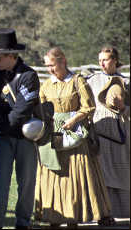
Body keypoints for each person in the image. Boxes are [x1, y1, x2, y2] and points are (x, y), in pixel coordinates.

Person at [34, 47, 113, 227]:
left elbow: (88, 107)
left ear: (63, 61)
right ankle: (54, 217)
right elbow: (39, 109)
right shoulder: (46, 85)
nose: (50, 69)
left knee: (76, 176)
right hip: (53, 136)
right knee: (54, 173)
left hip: (75, 135)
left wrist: (73, 120)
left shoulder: (78, 82)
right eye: (47, 66)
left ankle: (76, 215)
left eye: (52, 65)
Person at [0, 28, 40, 229]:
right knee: (0, 181)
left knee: (26, 183)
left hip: (25, 136)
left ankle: (23, 223)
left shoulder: (28, 75)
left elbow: (22, 110)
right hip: (2, 137)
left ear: (11, 55)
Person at [86, 46, 130, 219]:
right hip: (99, 132)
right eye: (99, 60)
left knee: (123, 172)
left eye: (105, 59)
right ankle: (103, 213)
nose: (102, 63)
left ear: (115, 60)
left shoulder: (126, 82)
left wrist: (124, 108)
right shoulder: (91, 81)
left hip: (121, 135)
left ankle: (124, 214)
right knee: (101, 174)